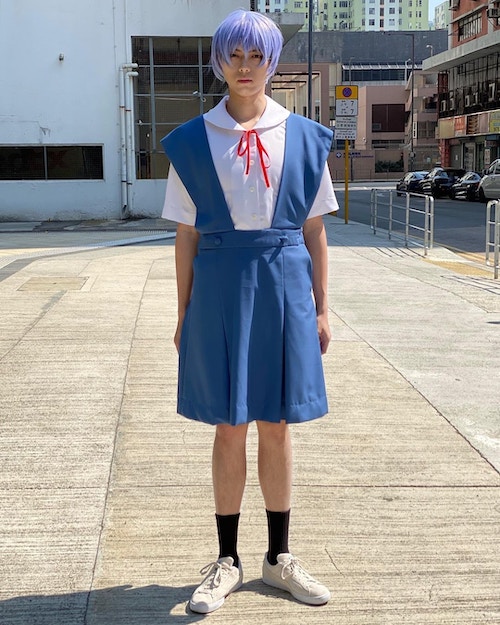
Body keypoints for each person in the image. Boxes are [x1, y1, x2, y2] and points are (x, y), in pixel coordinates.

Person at [161, 9, 339, 614]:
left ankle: (279, 557)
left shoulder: (305, 136)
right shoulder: (193, 141)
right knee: (229, 424)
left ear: (272, 62)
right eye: (234, 55)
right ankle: (227, 561)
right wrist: (183, 313)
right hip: (218, 288)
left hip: (285, 286)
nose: (245, 66)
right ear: (219, 61)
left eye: (257, 55)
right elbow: (186, 235)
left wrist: (322, 308)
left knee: (278, 424)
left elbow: (314, 230)